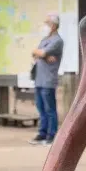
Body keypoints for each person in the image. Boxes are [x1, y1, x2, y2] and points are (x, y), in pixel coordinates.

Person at [29, 13, 64, 145]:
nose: (45, 26)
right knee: (41, 107)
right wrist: (41, 54)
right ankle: (42, 133)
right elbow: (35, 53)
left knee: (50, 109)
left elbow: (41, 52)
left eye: (47, 23)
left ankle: (52, 135)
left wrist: (41, 54)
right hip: (39, 78)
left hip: (48, 79)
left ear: (54, 25)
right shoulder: (44, 40)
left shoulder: (57, 41)